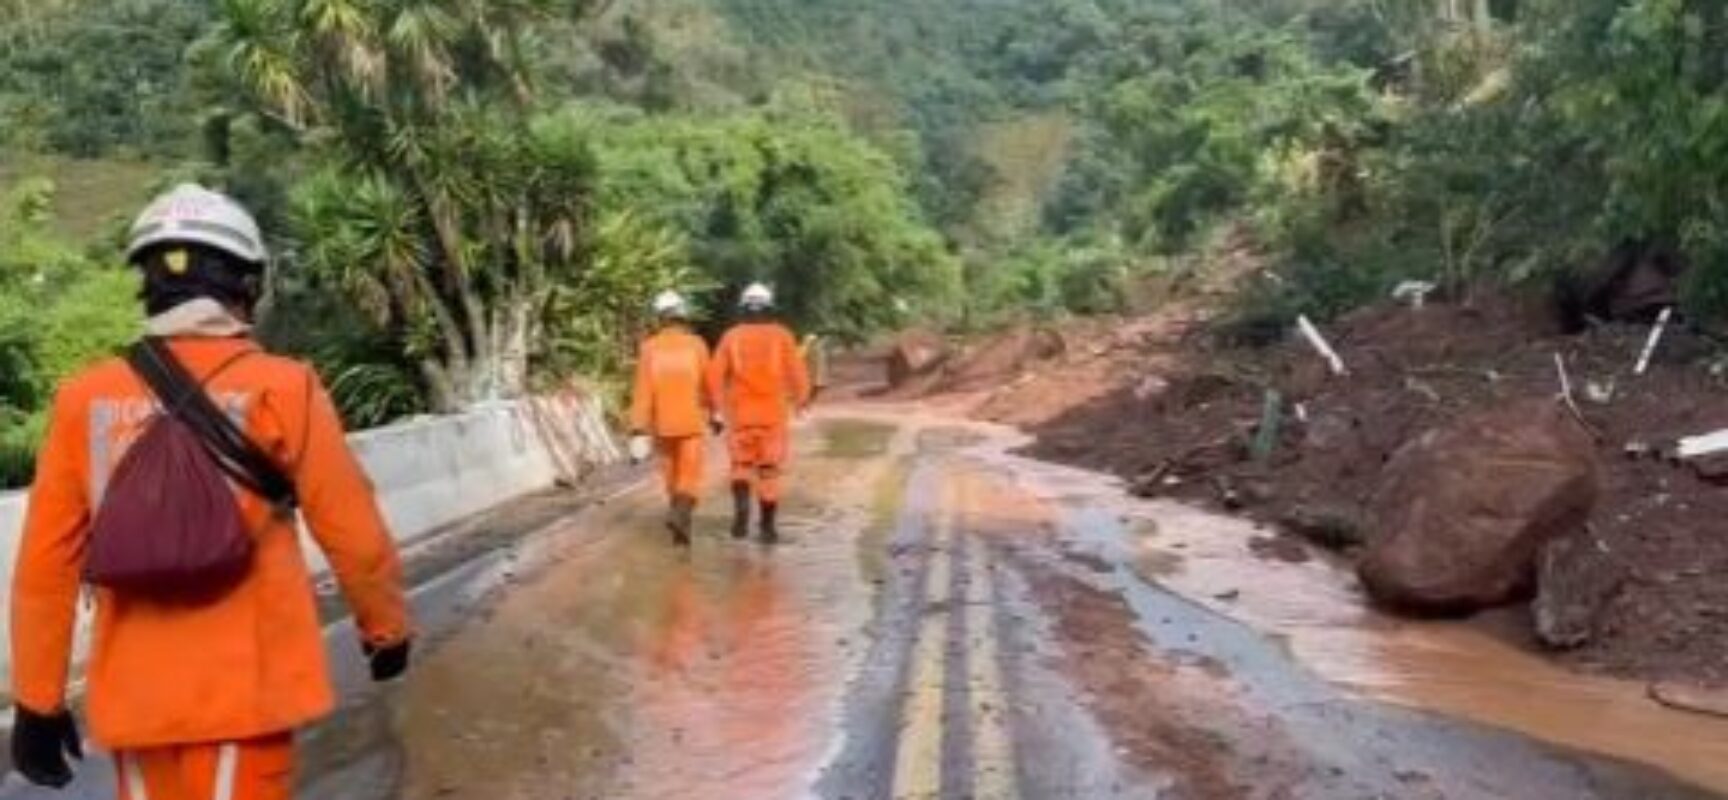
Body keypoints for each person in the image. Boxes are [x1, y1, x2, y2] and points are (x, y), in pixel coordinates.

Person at [9, 184, 412, 800]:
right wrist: (384, 629)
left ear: (146, 281)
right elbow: (351, 529)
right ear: (247, 285)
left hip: (136, 700)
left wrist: (38, 700)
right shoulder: (286, 388)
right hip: (246, 693)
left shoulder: (82, 399)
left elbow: (46, 565)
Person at [707, 283, 812, 544]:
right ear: (769, 307)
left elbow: (714, 377)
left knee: (741, 467)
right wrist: (801, 402)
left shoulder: (731, 336)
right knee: (769, 471)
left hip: (740, 416)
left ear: (744, 308)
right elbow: (798, 375)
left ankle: (741, 518)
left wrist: (716, 410)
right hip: (772, 418)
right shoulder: (783, 335)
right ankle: (767, 528)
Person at [629, 290, 718, 546]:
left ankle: (680, 528)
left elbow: (642, 391)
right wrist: (717, 412)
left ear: (660, 317)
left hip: (662, 425)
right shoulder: (697, 345)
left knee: (671, 477)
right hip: (691, 422)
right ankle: (680, 517)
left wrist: (638, 429)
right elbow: (710, 385)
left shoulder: (649, 348)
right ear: (683, 314)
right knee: (689, 476)